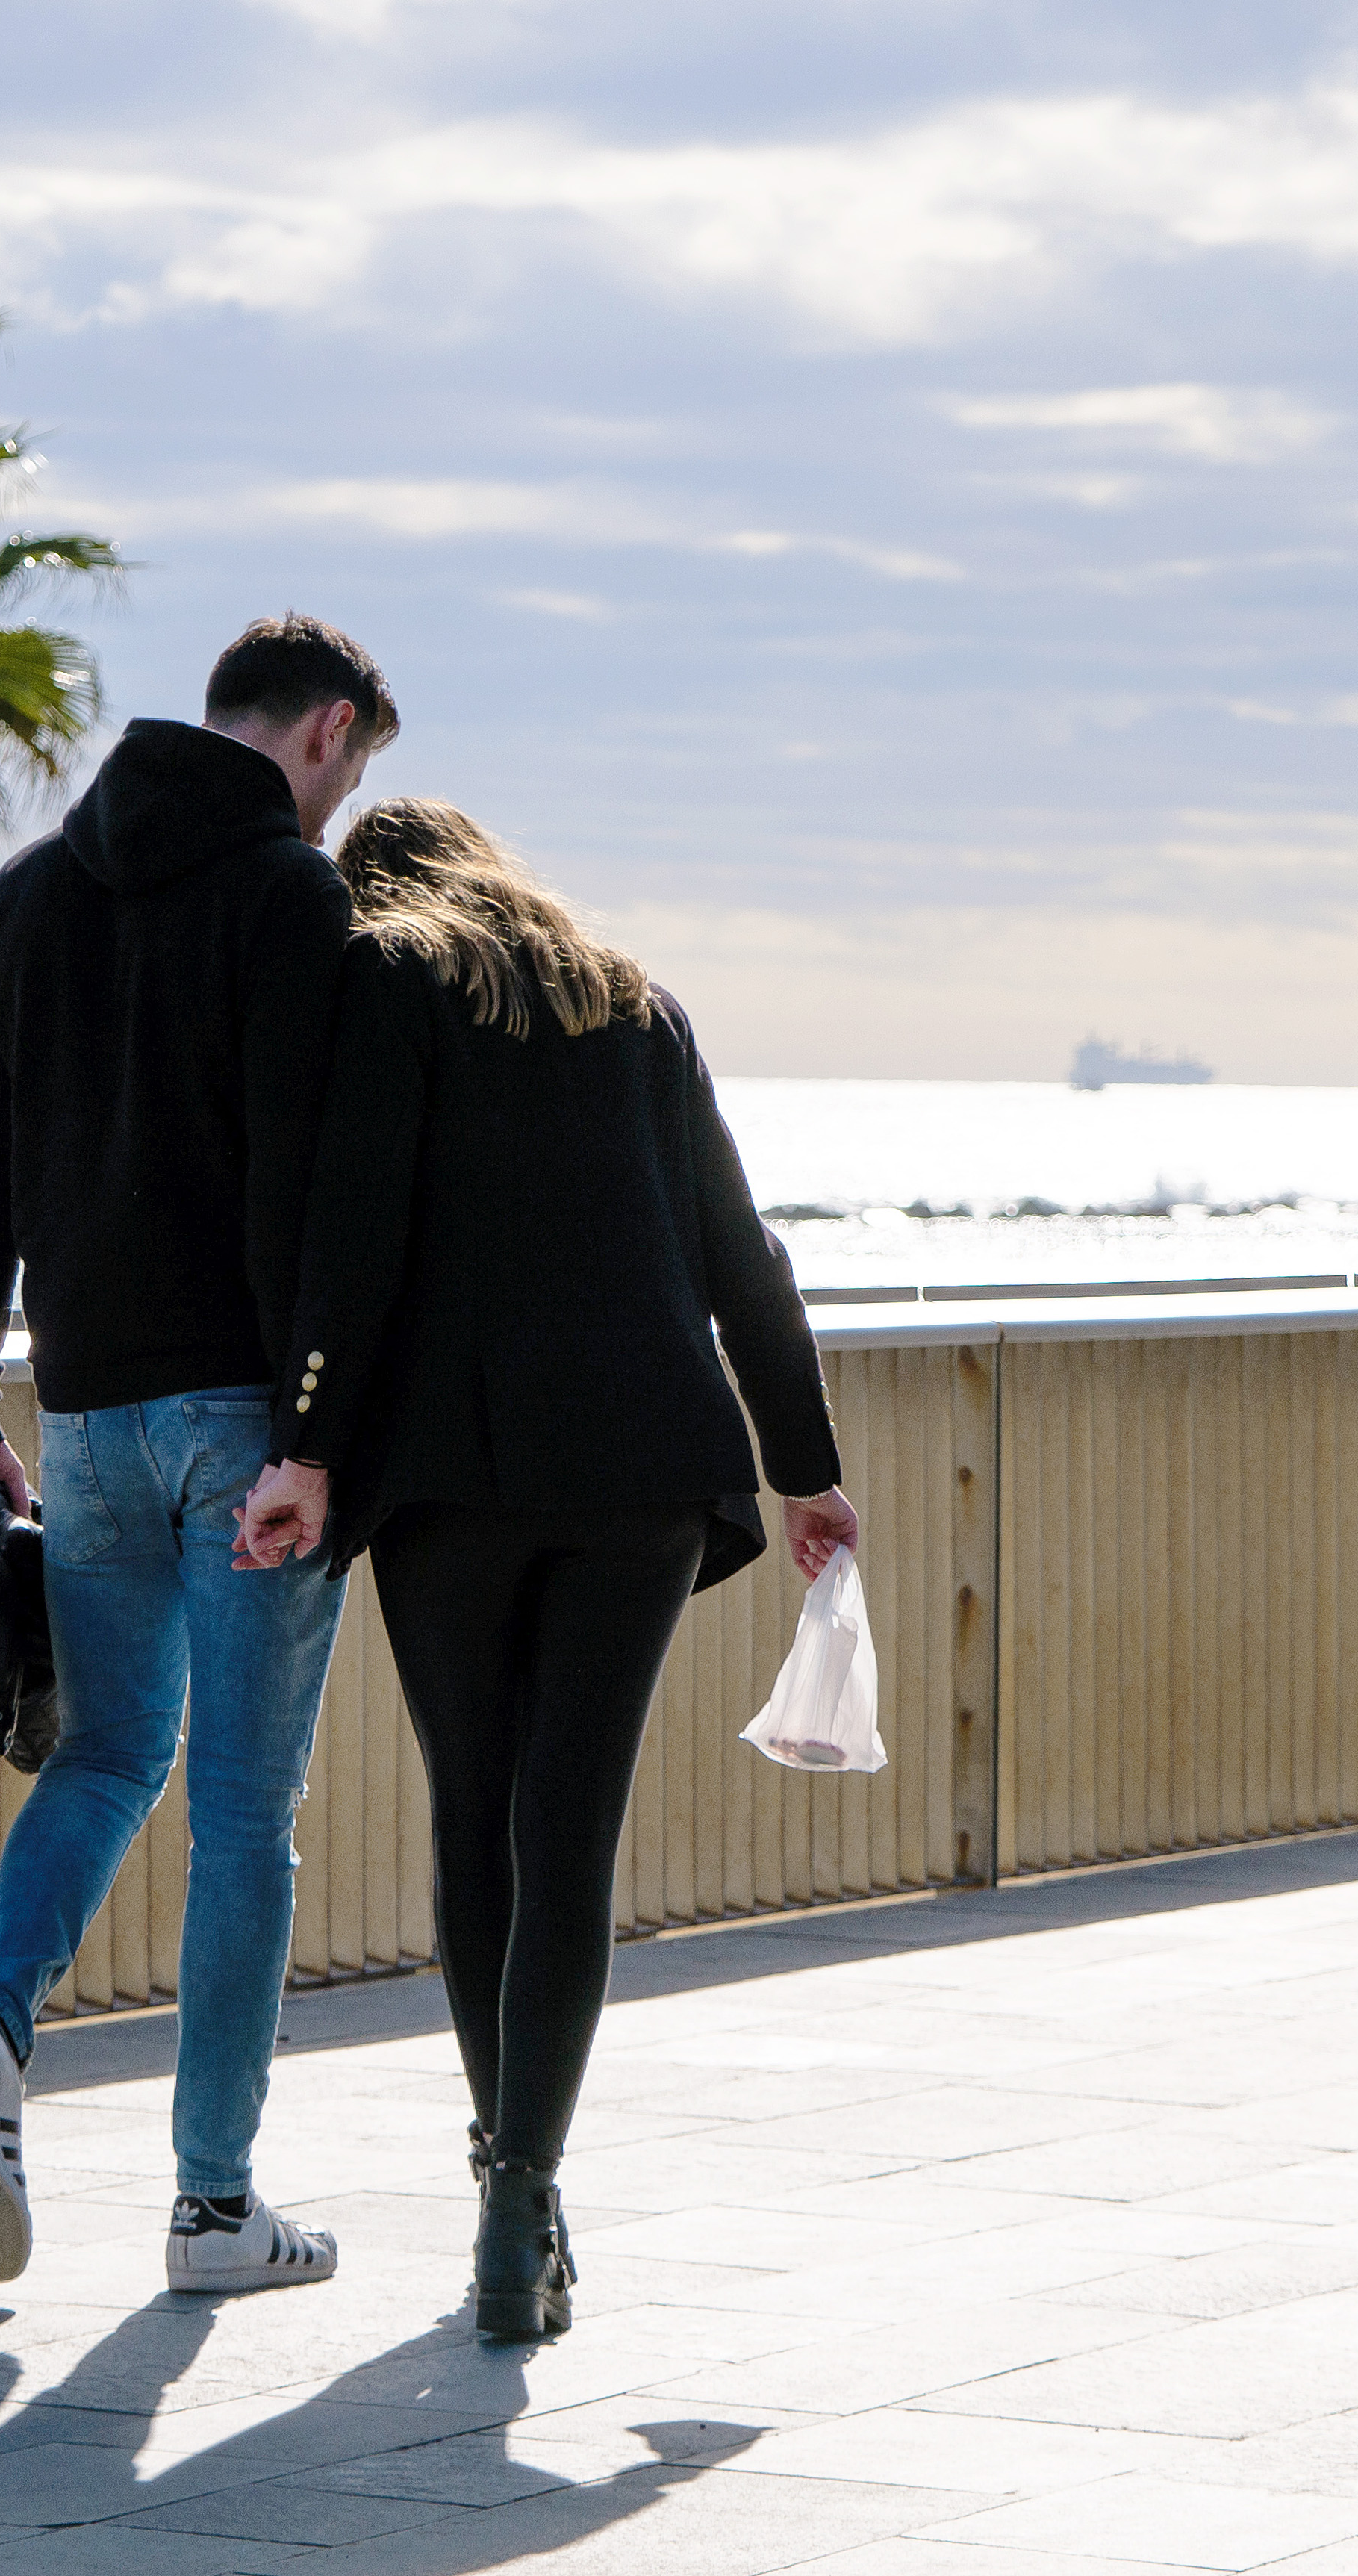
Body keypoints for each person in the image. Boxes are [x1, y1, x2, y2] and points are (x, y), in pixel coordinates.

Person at [235, 799, 853, 2342]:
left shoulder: (385, 975)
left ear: (383, 891)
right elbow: (740, 1247)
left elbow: (353, 1232)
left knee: (477, 1819)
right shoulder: (637, 1002)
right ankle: (525, 2191)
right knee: (568, 1828)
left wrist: (306, 1441)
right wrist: (806, 1464)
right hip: (645, 1467)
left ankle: (506, 2175)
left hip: (456, 1475)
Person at [0, 614, 399, 2296]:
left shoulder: (27, 895)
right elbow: (315, 1192)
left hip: (85, 1414)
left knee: (109, 1756)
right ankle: (212, 2206)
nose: (335, 815)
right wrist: (317, 1437)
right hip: (244, 1427)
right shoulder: (289, 897)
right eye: (347, 778)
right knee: (245, 1816)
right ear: (327, 732)